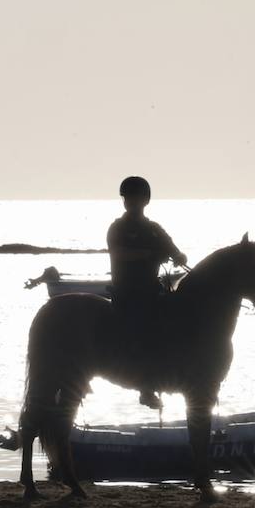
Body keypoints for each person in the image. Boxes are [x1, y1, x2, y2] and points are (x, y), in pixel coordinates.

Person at [107, 175, 188, 409]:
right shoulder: (118, 228)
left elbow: (173, 249)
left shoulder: (154, 229)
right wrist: (149, 255)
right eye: (127, 198)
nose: (131, 202)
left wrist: (179, 256)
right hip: (127, 291)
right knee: (145, 328)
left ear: (145, 200)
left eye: (135, 197)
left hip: (152, 290)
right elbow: (120, 254)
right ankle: (146, 388)